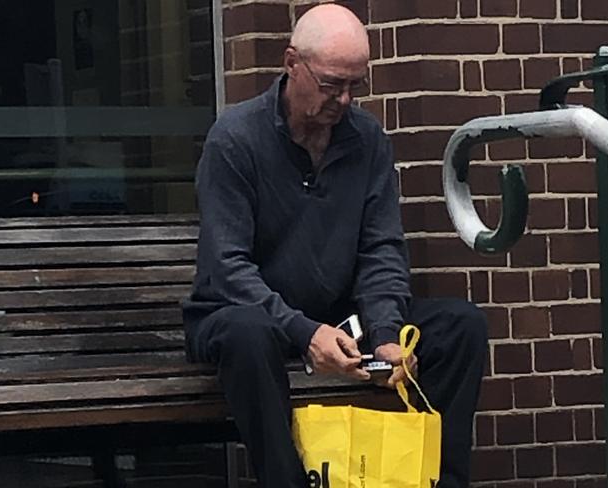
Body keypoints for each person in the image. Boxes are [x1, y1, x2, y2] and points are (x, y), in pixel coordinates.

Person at [183, 4, 487, 488]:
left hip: (340, 316)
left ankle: (438, 480)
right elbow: (227, 268)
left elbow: (382, 248)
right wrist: (304, 332)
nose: (344, 100)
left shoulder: (367, 140)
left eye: (355, 86)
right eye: (330, 84)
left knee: (460, 327)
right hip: (242, 314)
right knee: (247, 333)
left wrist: (386, 332)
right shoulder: (235, 140)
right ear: (291, 64)